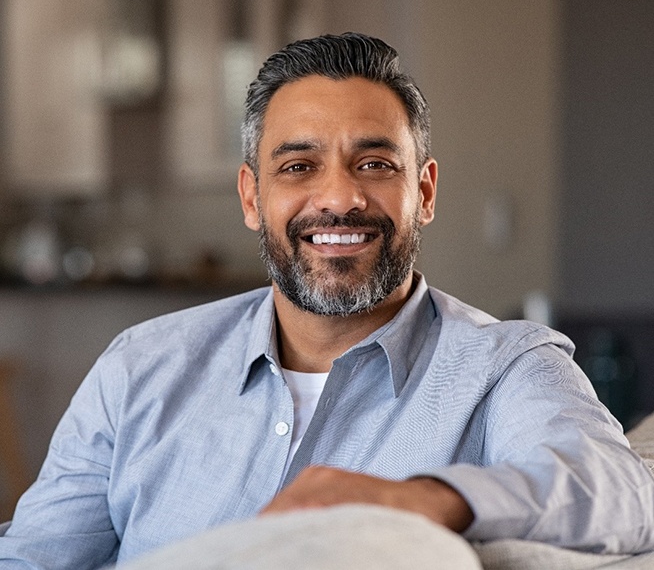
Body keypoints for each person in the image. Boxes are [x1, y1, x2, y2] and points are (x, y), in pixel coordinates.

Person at [1, 32, 653, 569]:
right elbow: (32, 558)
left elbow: (624, 494)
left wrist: (426, 499)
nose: (339, 198)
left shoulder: (507, 365)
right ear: (252, 198)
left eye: (374, 164)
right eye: (298, 166)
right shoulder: (140, 365)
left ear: (423, 192)